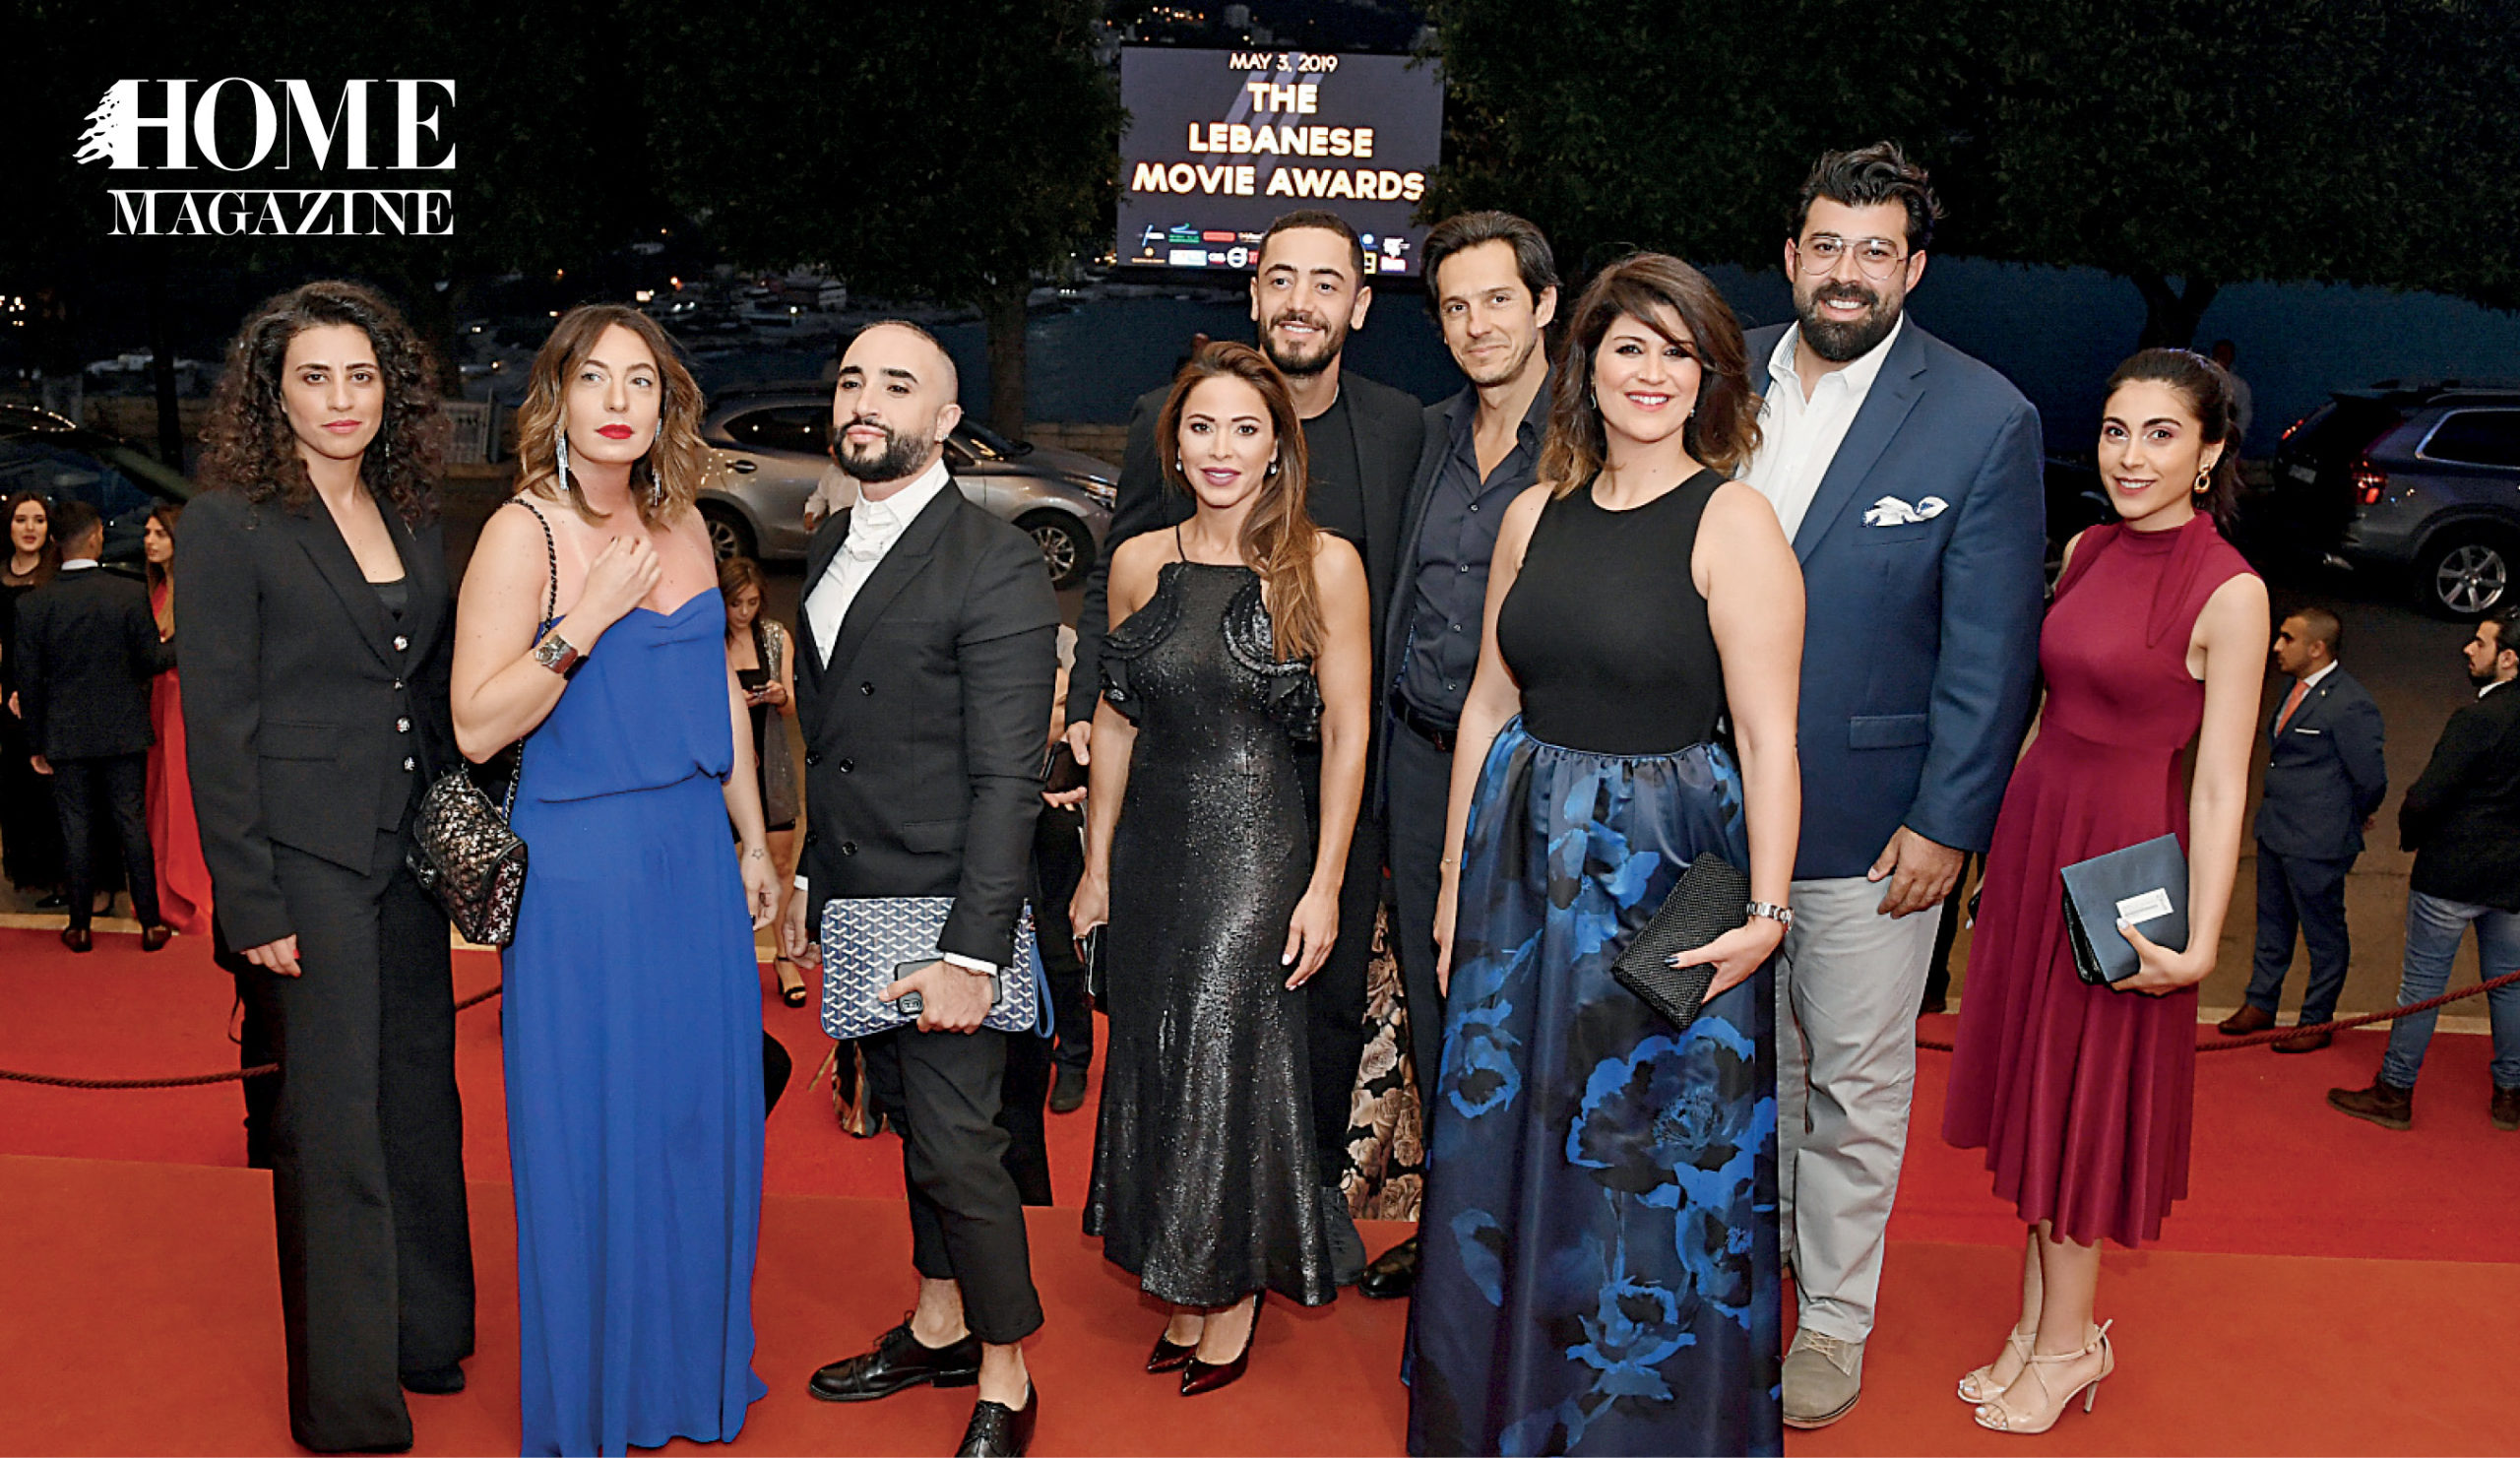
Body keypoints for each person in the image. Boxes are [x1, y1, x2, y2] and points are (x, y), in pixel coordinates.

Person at [1409, 252, 1805, 1455]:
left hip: (1660, 882)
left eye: (1677, 351)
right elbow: (1486, 701)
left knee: (1641, 1161)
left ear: (1708, 378)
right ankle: (1497, 1412)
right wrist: (1448, 881)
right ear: (1586, 361)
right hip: (1517, 879)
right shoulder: (1534, 512)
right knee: (1500, 1150)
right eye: (1629, 344)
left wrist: (1770, 912)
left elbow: (1769, 738)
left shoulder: (1733, 520)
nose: (1651, 372)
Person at [1741, 143, 2048, 1428]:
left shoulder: (1984, 417)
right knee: (1746, 1071)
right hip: (1711, 812)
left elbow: (1992, 650)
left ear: (1913, 268)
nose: (1848, 271)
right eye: (1828, 244)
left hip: (1878, 834)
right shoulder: (1713, 373)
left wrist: (1950, 821)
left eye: (1877, 249)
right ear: (1793, 253)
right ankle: (1749, 1276)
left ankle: (1834, 1318)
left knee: (1856, 1084)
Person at [1064, 211, 1427, 1278]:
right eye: (1282, 277)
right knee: (1176, 1032)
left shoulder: (1403, 430)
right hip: (1179, 782)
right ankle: (1205, 1241)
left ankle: (1286, 1222)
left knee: (1304, 1019)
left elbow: (1388, 636)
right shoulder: (1153, 470)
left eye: (1328, 280)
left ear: (1360, 305)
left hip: (1315, 795)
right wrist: (1089, 716)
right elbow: (1120, 618)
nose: (1302, 298)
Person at [453, 304, 779, 1455]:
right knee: (596, 1136)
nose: (618, 399)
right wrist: (581, 621)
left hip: (692, 853)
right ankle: (599, 1395)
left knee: (699, 1124)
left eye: (640, 379)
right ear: (557, 396)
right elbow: (478, 723)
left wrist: (753, 841)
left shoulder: (685, 521)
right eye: (595, 376)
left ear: (663, 403)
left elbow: (722, 701)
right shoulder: (521, 536)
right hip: (584, 868)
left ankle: (687, 1373)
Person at [1942, 349, 2266, 1435]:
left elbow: (2220, 782)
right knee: (2037, 1086)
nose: (2131, 455)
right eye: (2117, 430)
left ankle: (2073, 1340)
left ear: (2209, 450)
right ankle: (2042, 1325)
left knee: (2084, 1095)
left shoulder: (2230, 588)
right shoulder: (2084, 547)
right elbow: (2045, 711)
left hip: (2128, 859)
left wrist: (2203, 934)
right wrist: (1996, 858)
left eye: (2161, 433)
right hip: (2043, 833)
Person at [179, 280, 473, 1452]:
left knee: (419, 1104)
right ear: (274, 392)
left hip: (405, 859)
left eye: (362, 376)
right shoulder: (228, 521)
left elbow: (426, 691)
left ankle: (425, 1330)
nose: (342, 398)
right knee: (335, 1124)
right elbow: (218, 723)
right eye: (316, 377)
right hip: (302, 864)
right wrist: (248, 899)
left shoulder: (409, 507)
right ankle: (347, 1396)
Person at [1067, 340, 1373, 1391]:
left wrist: (1326, 879)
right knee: (1157, 1050)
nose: (1221, 448)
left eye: (1247, 428)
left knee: (1221, 1048)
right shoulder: (1138, 560)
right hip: (1153, 839)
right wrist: (1096, 866)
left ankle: (1232, 1286)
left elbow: (1346, 730)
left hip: (1256, 839)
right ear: (1175, 441)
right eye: (1202, 427)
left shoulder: (1321, 563)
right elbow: (1114, 720)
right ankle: (1187, 1266)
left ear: (1280, 448)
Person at [782, 321, 1058, 1458]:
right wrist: (807, 866)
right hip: (855, 886)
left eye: (899, 384)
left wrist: (974, 952)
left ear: (946, 420)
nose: (866, 399)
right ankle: (938, 1320)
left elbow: (1009, 778)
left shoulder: (992, 562)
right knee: (902, 1115)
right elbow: (829, 731)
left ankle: (1007, 1371)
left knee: (956, 1142)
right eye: (853, 378)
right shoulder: (830, 539)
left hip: (947, 906)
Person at [1356, 211, 1560, 1301]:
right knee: (1437, 1000)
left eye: (1496, 299)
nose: (1476, 323)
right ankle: (1451, 1227)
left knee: (1530, 999)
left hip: (1542, 771)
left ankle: (1524, 1236)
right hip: (1420, 759)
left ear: (1543, 304)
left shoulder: (1588, 444)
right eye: (1454, 305)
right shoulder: (1427, 436)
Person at [2327, 606, 2520, 1133]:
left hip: (2450, 876)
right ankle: (2511, 1094)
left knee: (2423, 987)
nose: (2467, 649)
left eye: (2480, 643)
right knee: (2509, 987)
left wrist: (2412, 840)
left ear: (2508, 659)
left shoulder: (2478, 720)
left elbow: (2426, 797)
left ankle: (2395, 1091)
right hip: (2512, 883)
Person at [2218, 607, 2385, 1051]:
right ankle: (2261, 1003)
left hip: (2317, 841)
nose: (2276, 646)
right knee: (2272, 921)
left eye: (2287, 638)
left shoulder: (2351, 703)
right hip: (2276, 831)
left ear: (2317, 647)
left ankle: (2315, 1019)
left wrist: (2352, 814)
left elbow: (2371, 778)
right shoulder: (2295, 691)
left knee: (2323, 932)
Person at [15, 498, 175, 953]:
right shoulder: (126, 593)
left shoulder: (34, 604)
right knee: (131, 823)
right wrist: (188, 640)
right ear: (96, 537)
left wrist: (35, 743)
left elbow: (28, 682)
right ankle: (150, 924)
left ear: (56, 543)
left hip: (64, 733)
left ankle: (80, 925)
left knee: (76, 828)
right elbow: (150, 660)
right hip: (123, 729)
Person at [723, 553, 807, 1007]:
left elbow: (793, 705)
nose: (744, 613)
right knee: (733, 869)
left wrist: (778, 695)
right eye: (736, 603)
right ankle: (735, 957)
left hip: (770, 757)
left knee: (780, 864)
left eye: (752, 603)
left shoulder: (774, 637)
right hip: (728, 767)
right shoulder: (707, 640)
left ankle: (784, 956)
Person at [141, 503, 214, 936]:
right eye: (147, 533)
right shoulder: (160, 588)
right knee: (159, 797)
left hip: (184, 703)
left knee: (181, 796)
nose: (150, 540)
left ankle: (189, 892)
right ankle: (163, 891)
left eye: (160, 533)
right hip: (158, 702)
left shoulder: (194, 589)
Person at [1, 490, 66, 902]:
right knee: (17, 788)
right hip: (7, 695)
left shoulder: (58, 573)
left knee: (54, 792)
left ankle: (65, 877)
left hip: (52, 692)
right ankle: (31, 873)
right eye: (21, 519)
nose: (30, 529)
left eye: (39, 520)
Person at [2210, 340, 2253, 449]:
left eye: (2226, 354)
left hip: (2226, 440)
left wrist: (2237, 436)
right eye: (2219, 353)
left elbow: (2245, 414)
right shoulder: (2201, 379)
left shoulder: (2239, 385)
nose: (2222, 357)